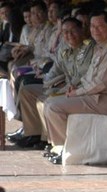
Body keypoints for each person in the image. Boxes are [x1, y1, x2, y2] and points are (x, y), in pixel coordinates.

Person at [43, 11, 107, 164]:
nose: (94, 30)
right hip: (93, 96)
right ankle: (61, 147)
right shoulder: (101, 47)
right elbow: (89, 77)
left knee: (53, 107)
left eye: (99, 26)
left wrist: (77, 92)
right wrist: (76, 89)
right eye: (92, 26)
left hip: (103, 100)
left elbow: (100, 83)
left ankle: (65, 148)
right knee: (49, 102)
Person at [14, 17, 94, 149]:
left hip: (77, 90)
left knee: (46, 99)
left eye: (73, 31)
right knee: (28, 90)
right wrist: (48, 84)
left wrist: (58, 88)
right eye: (65, 32)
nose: (69, 35)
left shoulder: (88, 49)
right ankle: (33, 133)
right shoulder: (65, 49)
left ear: (81, 30)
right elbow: (55, 70)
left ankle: (49, 141)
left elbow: (81, 77)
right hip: (62, 87)